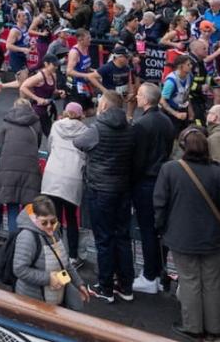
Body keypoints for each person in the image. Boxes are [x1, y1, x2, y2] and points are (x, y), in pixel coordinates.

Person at [154, 127, 220, 341]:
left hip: (182, 235)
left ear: (183, 146)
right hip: (213, 236)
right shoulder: (216, 171)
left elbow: (160, 203)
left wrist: (160, 227)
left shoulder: (171, 169)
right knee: (212, 282)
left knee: (190, 280)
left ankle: (193, 326)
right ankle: (214, 327)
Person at [73, 90, 135, 303]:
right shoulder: (130, 127)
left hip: (100, 189)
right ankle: (126, 286)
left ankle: (106, 287)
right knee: (123, 238)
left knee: (104, 240)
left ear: (104, 107)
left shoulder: (98, 128)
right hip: (123, 188)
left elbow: (79, 142)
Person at [131, 81, 175, 294]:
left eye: (139, 94)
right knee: (159, 231)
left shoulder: (141, 125)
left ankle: (150, 275)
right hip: (163, 181)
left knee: (147, 230)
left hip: (146, 183)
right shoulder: (167, 122)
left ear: (147, 99)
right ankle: (159, 272)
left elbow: (137, 160)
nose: (136, 97)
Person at [13, 196, 88, 308]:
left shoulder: (55, 231)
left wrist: (78, 283)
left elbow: (65, 263)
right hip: (33, 301)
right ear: (35, 219)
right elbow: (19, 269)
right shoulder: (27, 237)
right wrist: (48, 278)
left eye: (53, 221)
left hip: (53, 298)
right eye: (44, 223)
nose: (49, 226)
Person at [40, 102, 87, 270]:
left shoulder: (56, 126)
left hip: (53, 174)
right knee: (72, 218)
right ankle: (73, 256)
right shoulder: (85, 131)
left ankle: (56, 253)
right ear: (81, 115)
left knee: (55, 217)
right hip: (73, 177)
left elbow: (49, 147)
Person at [0, 98, 42, 232]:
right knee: (29, 209)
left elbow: (0, 145)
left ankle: (13, 241)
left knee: (12, 207)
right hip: (30, 168)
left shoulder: (7, 122)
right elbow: (37, 143)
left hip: (8, 168)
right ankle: (27, 239)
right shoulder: (35, 123)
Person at [19, 54, 64, 137]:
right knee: (39, 134)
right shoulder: (39, 76)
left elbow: (53, 90)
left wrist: (59, 92)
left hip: (47, 107)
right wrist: (37, 98)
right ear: (46, 64)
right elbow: (23, 87)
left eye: (57, 65)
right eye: (54, 65)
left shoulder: (53, 75)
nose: (56, 67)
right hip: (37, 109)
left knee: (50, 134)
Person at [65, 29, 103, 115]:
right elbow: (69, 71)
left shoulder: (86, 48)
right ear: (80, 40)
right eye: (88, 38)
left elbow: (85, 66)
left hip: (85, 84)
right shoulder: (74, 52)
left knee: (90, 111)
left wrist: (94, 72)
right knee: (76, 112)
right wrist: (87, 75)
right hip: (75, 86)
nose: (90, 40)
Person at [160, 54, 192, 133]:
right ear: (180, 66)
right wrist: (176, 114)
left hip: (183, 109)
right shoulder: (171, 81)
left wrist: (191, 111)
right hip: (171, 111)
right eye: (188, 64)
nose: (191, 66)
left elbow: (187, 94)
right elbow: (162, 101)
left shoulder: (189, 76)